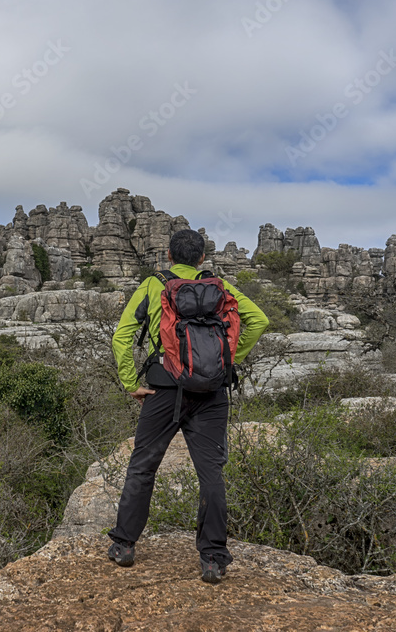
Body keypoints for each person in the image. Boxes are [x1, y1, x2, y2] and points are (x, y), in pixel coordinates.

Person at [107, 228, 269, 583]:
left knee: (143, 466)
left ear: (168, 256)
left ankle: (124, 545)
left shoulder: (153, 284)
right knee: (210, 474)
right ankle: (212, 559)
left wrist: (131, 382)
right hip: (211, 393)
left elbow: (122, 336)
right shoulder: (219, 285)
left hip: (164, 389)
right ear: (202, 258)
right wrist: (227, 361)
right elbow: (259, 320)